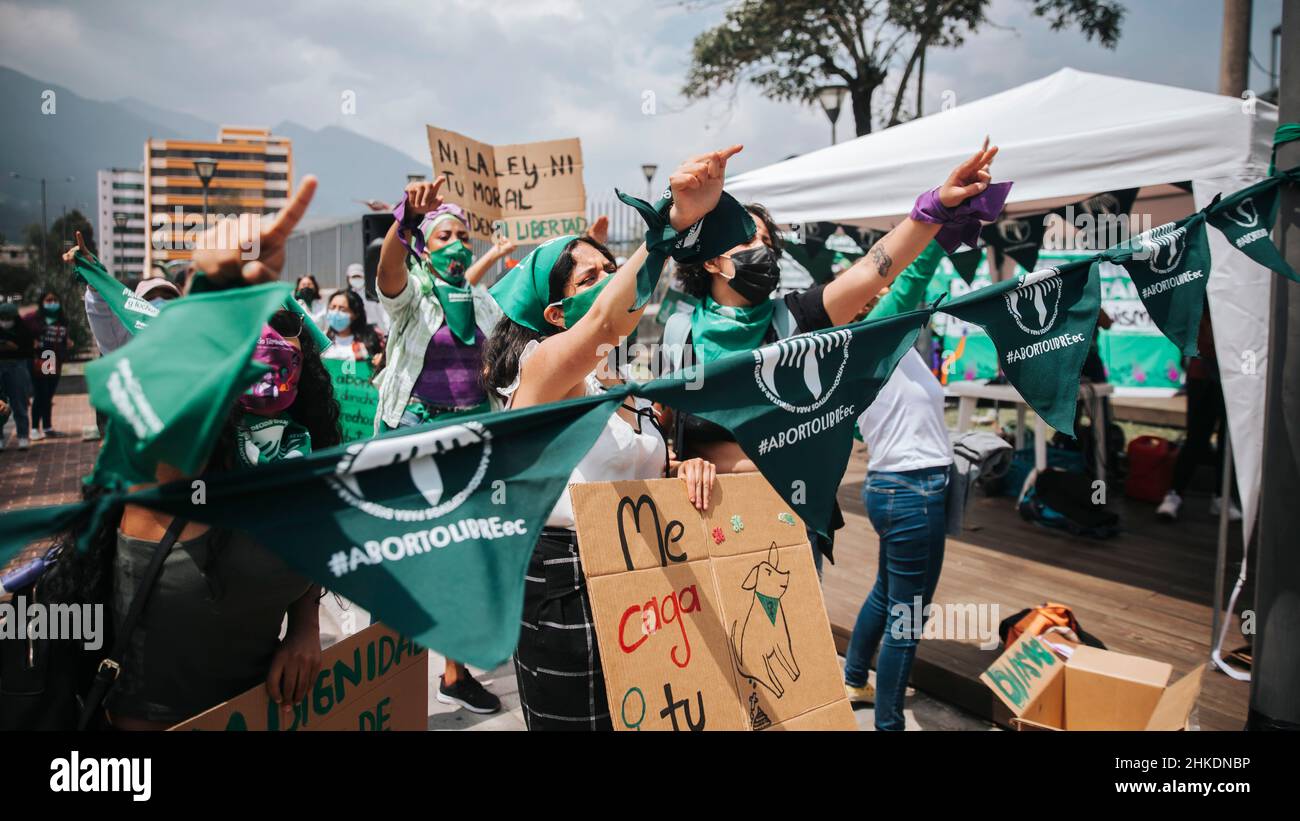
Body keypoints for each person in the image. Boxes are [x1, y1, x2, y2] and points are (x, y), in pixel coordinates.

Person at [482, 145, 738, 730]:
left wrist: (683, 469)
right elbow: (604, 322)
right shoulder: (541, 370)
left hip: (648, 571)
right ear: (554, 313)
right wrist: (673, 221)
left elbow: (639, 464)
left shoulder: (626, 381)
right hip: (567, 583)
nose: (609, 284)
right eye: (590, 277)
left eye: (610, 270)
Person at [664, 141, 1000, 574]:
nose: (760, 250)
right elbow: (662, 435)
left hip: (790, 527)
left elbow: (871, 271)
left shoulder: (798, 319)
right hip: (707, 526)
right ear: (710, 259)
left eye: (766, 241)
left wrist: (933, 206)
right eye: (746, 239)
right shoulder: (680, 335)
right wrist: (682, 464)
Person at [100, 310, 338, 729]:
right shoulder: (170, 455)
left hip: (255, 707)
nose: (270, 337)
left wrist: (306, 625)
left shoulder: (302, 458)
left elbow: (312, 548)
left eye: (284, 325)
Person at [372, 190, 516, 713]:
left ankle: (454, 674)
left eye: (462, 237)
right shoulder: (413, 294)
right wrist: (404, 222)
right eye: (443, 237)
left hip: (471, 438)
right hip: (411, 432)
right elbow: (387, 272)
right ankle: (384, 676)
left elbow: (504, 358)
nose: (456, 246)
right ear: (424, 248)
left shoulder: (483, 301)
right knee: (401, 555)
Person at [840, 241, 954, 730]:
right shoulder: (868, 339)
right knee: (907, 620)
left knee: (888, 595)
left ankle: (854, 677)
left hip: (897, 485)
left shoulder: (888, 343)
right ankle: (889, 724)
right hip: (913, 490)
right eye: (879, 286)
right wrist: (940, 229)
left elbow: (926, 295)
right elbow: (914, 284)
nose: (889, 288)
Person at [1157, 303, 1240, 522]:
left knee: (1227, 440)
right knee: (1196, 438)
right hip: (1202, 373)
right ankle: (1174, 494)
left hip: (1230, 373)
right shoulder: (1198, 292)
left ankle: (1222, 496)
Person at [24, 290, 74, 440]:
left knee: (49, 395)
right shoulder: (33, 318)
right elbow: (23, 334)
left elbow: (64, 337)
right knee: (41, 394)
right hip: (40, 359)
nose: (52, 303)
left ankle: (47, 427)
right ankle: (34, 428)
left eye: (54, 300)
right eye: (48, 300)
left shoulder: (61, 319)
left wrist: (68, 343)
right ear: (42, 302)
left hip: (55, 359)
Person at [0, 301, 35, 450]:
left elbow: (29, 351)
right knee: (0, 405)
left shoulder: (23, 331)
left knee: (19, 402)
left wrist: (15, 347)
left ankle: (22, 436)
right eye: (3, 317)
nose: (5, 321)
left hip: (17, 366)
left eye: (8, 318)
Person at [322, 288, 384, 368]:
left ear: (355, 314)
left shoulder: (371, 340)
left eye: (342, 309)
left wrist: (381, 362)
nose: (335, 312)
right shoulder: (322, 340)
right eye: (332, 307)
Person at [346, 263, 391, 336]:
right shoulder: (345, 297)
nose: (357, 279)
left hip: (374, 333)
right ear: (348, 278)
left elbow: (384, 315)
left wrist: (386, 332)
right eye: (354, 277)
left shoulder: (373, 296)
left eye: (359, 276)